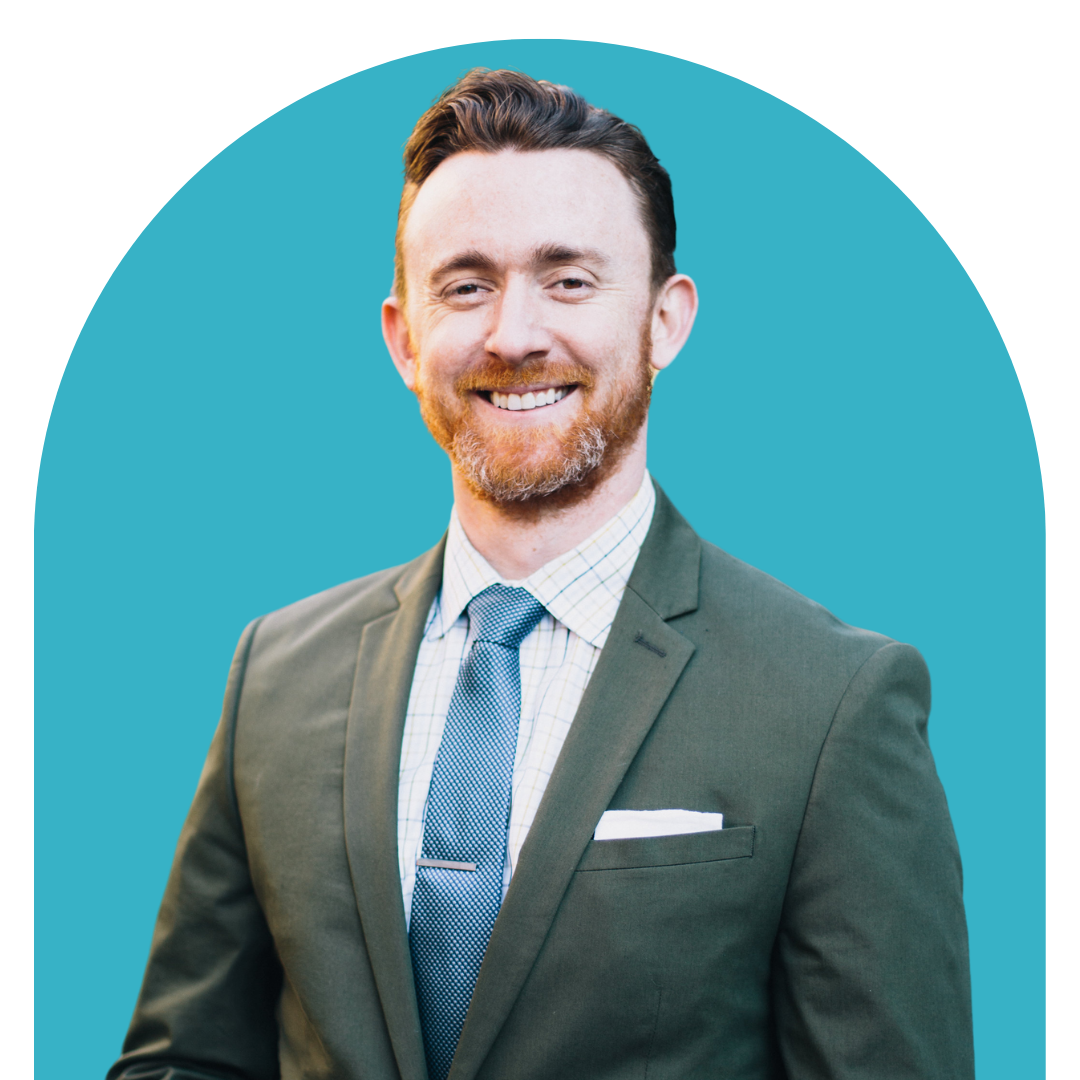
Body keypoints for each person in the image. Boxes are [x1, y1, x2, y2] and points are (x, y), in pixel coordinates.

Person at [108, 69, 974, 1080]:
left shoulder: (833, 703)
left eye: (569, 279)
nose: (514, 335)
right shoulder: (274, 674)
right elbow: (185, 1063)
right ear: (403, 338)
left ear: (664, 320)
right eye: (466, 284)